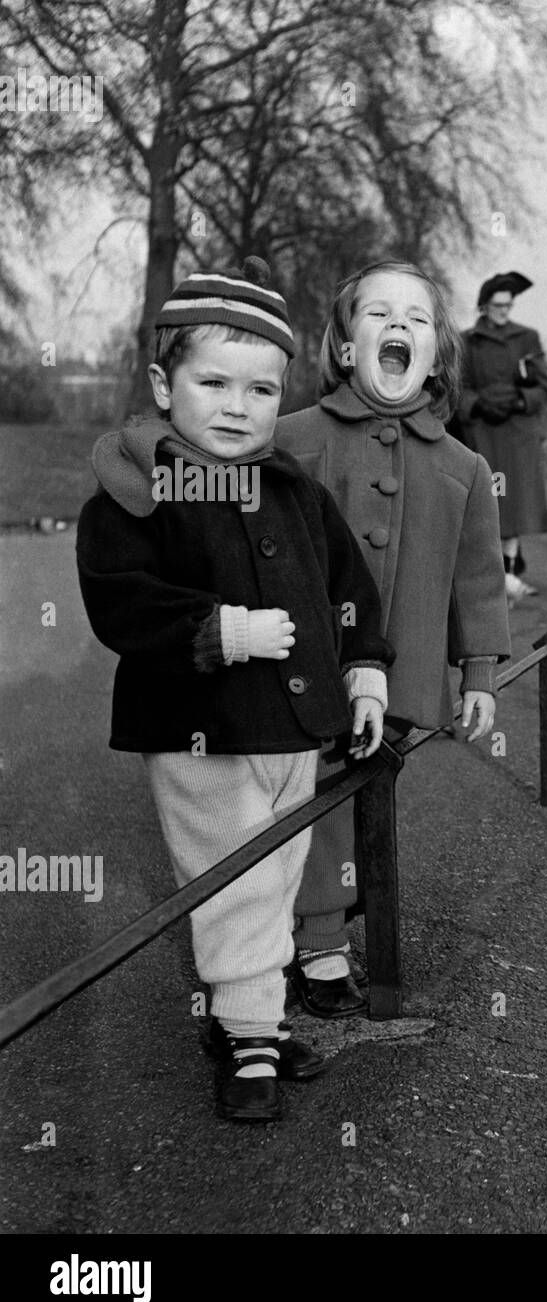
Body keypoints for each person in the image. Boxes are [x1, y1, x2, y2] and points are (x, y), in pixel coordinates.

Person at [76, 258, 394, 1122]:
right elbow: (121, 600)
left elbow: (348, 584)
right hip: (198, 726)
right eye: (211, 382)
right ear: (161, 383)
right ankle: (251, 1036)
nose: (235, 406)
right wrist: (221, 629)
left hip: (294, 727)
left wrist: (364, 668)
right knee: (233, 878)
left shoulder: (293, 486)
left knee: (279, 868)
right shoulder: (135, 491)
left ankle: (238, 1015)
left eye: (259, 390)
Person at [276, 259, 510, 1017]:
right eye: (377, 315)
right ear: (345, 349)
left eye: (416, 317)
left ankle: (322, 928)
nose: (398, 325)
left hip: (402, 678)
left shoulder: (464, 468)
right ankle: (314, 942)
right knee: (312, 798)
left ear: (437, 355)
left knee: (360, 797)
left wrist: (479, 672)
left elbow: (478, 579)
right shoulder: (292, 441)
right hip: (301, 670)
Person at [456, 272, 547, 584]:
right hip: (483, 430)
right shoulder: (466, 341)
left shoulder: (527, 337)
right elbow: (457, 386)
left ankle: (510, 572)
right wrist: (478, 405)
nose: (503, 312)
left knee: (517, 505)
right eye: (498, 306)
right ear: (484, 306)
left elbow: (543, 385)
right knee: (488, 503)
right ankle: (489, 575)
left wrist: (521, 402)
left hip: (517, 429)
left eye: (508, 306)